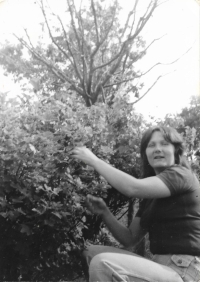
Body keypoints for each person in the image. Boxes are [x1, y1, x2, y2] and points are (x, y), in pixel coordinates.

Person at [71, 126, 200, 282]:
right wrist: (104, 212)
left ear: (176, 151)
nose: (157, 149)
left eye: (164, 144)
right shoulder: (150, 197)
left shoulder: (181, 174)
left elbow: (133, 188)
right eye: (151, 145)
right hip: (161, 267)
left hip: (186, 271)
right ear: (145, 154)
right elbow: (130, 238)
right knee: (90, 253)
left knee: (102, 263)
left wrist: (94, 161)